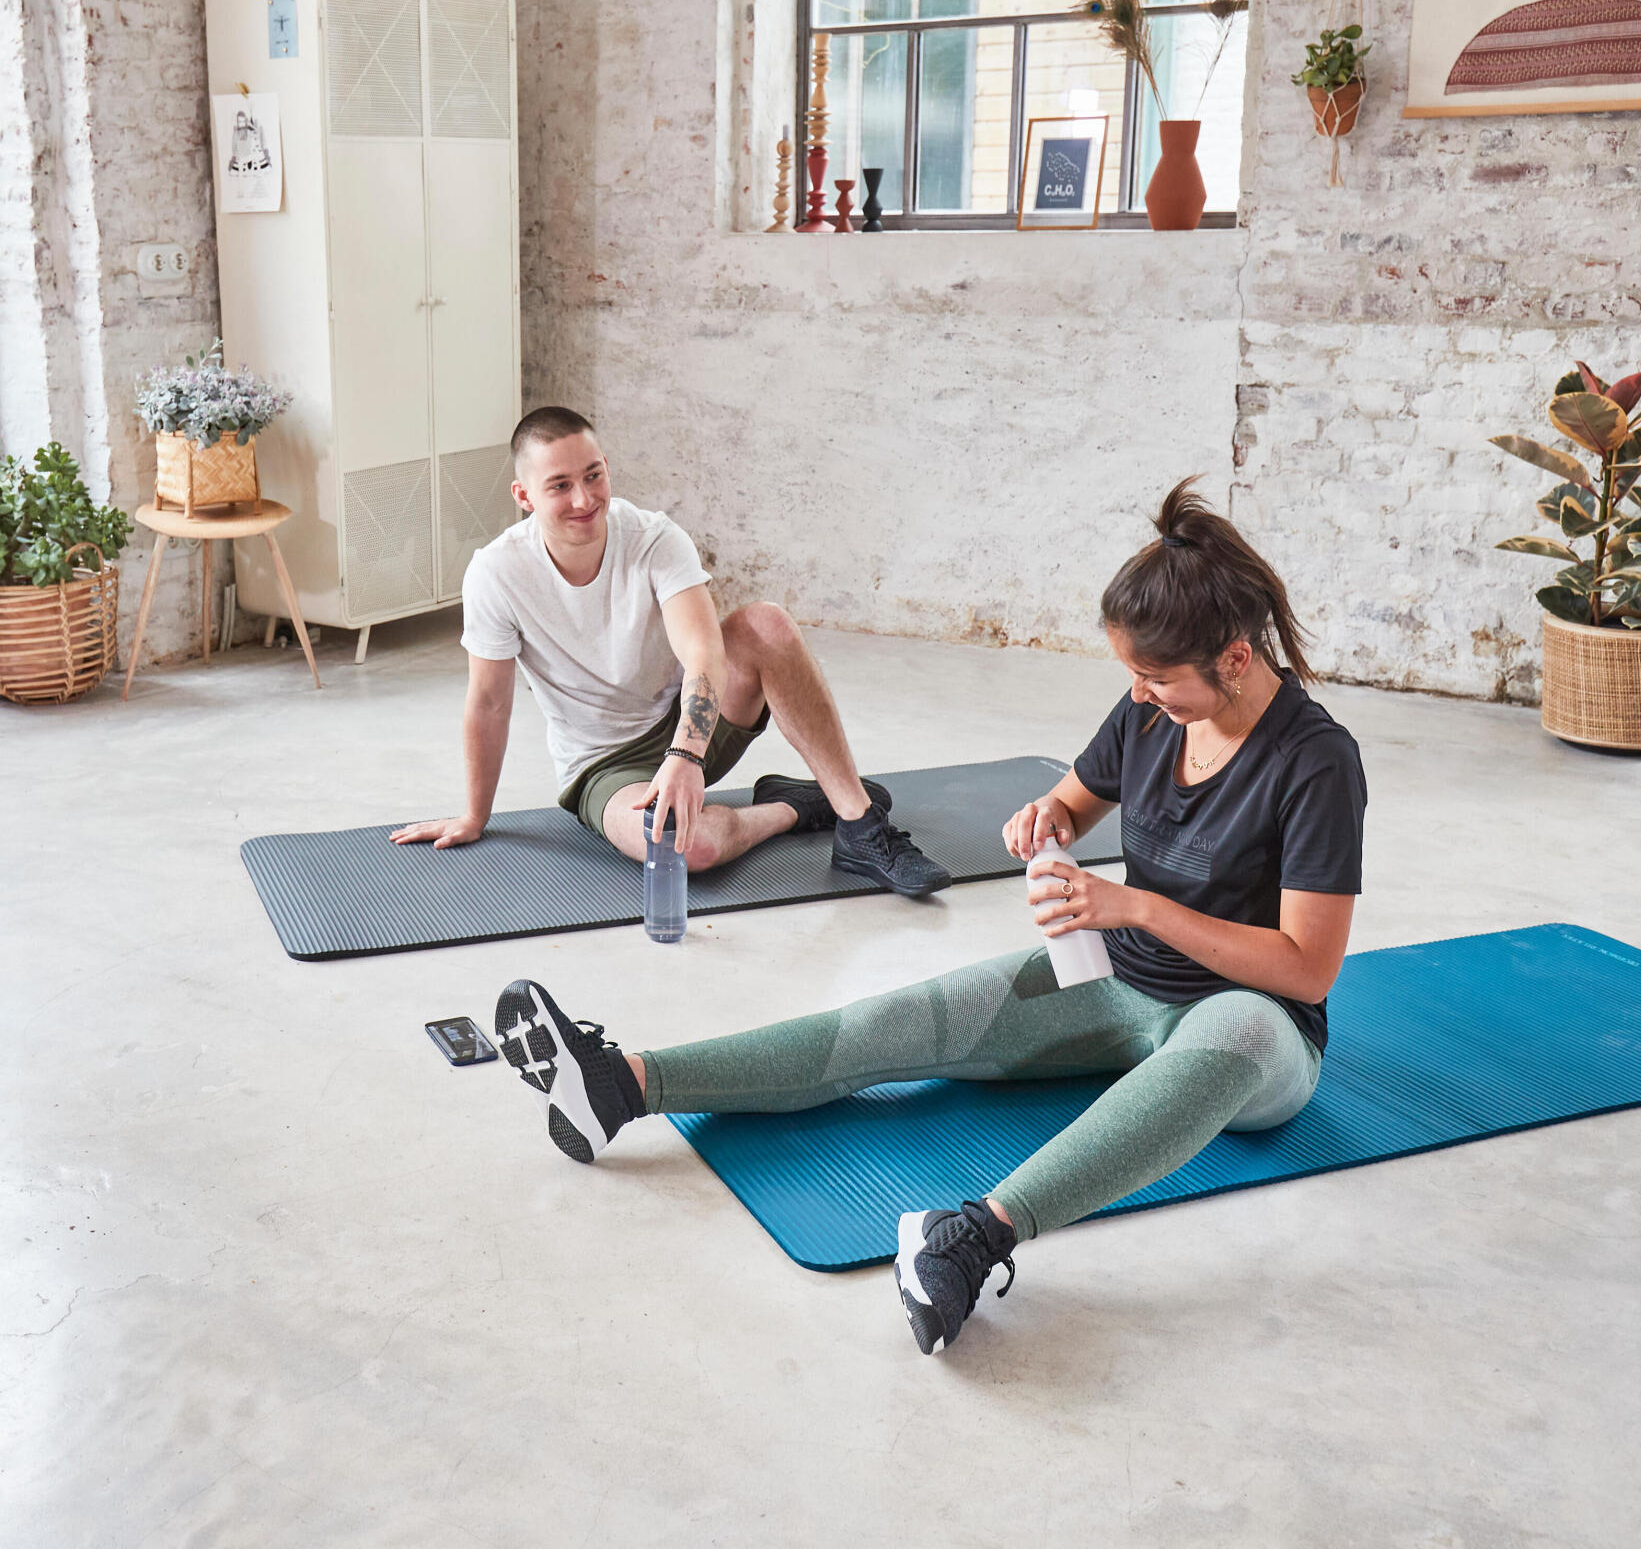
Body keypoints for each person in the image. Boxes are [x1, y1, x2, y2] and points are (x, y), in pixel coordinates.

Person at [491, 478, 1367, 1353]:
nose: (1139, 696)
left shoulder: (1315, 762)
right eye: (1132, 677)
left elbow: (1305, 968)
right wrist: (1046, 822)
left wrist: (1137, 904)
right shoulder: (1148, 717)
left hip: (1254, 1026)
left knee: (1240, 1037)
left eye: (1158, 679)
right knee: (897, 1021)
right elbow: (1070, 801)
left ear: (1238, 661)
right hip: (1116, 984)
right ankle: (623, 1085)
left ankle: (974, 1239)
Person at [392, 406, 949, 897]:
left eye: (593, 475)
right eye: (559, 485)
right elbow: (488, 702)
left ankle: (859, 825)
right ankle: (790, 808)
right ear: (524, 496)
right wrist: (474, 815)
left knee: (765, 624)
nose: (584, 499)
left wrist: (684, 755)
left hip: (692, 726)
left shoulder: (655, 538)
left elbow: (704, 652)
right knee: (688, 849)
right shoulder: (497, 573)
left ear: (607, 466)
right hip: (604, 766)